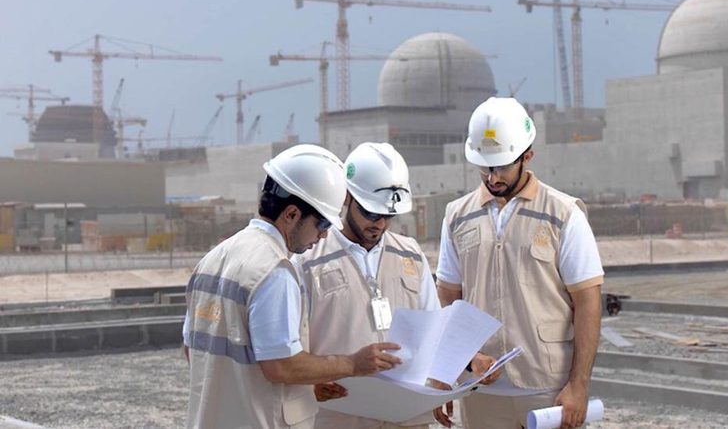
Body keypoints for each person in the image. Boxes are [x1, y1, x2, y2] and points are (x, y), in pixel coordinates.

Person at [183, 144, 403, 429]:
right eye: (322, 222)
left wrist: (306, 382)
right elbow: (281, 365)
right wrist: (352, 364)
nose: (324, 235)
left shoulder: (214, 259)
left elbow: (193, 350)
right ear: (290, 214)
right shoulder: (274, 271)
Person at [436, 97, 604, 429]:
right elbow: (447, 298)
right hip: (480, 391)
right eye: (484, 167)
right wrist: (454, 367)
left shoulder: (563, 214)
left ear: (527, 156)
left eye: (500, 166)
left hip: (546, 389)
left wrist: (578, 385)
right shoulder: (457, 216)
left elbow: (588, 301)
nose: (491, 176)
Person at [293, 142, 453, 429]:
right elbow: (290, 349)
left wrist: (439, 380)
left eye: (388, 216)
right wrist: (309, 385)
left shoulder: (411, 254)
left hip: (406, 418)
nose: (379, 224)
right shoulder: (307, 259)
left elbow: (433, 329)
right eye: (370, 213)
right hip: (337, 417)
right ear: (346, 198)